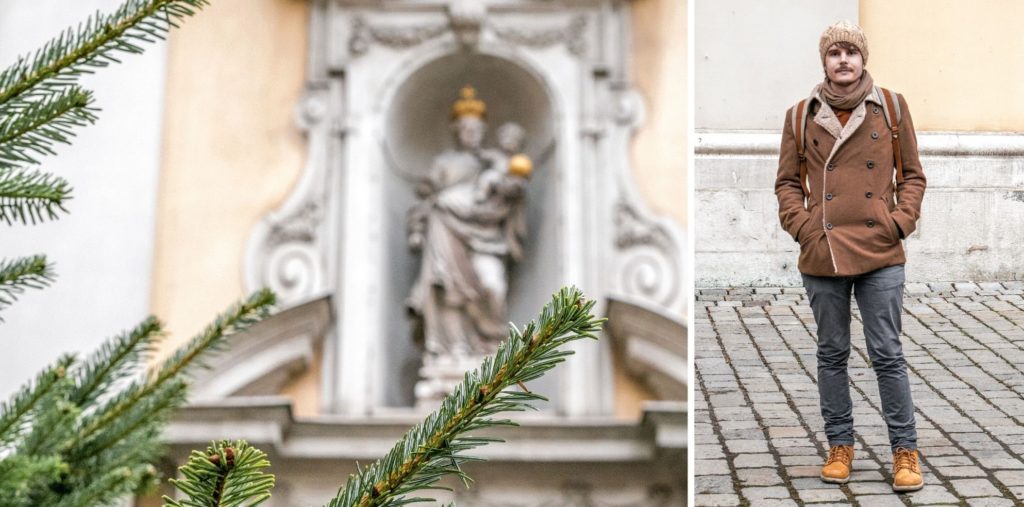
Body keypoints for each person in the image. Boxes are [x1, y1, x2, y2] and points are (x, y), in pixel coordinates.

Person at [774, 21, 927, 492]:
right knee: (832, 353)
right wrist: (804, 229)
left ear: (863, 59)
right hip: (824, 254)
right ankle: (840, 445)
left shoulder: (892, 108)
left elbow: (914, 177)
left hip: (881, 251)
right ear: (824, 61)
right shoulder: (801, 115)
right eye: (834, 53)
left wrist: (898, 222)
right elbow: (785, 184)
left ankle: (905, 451)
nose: (843, 60)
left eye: (850, 52)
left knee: (887, 353)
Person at [407, 87, 529, 364]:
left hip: (486, 233)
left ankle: (490, 346)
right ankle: (454, 349)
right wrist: (416, 228)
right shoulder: (444, 163)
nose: (471, 134)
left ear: (483, 130)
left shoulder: (495, 162)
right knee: (448, 290)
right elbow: (426, 200)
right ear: (456, 130)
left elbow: (512, 193)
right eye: (466, 129)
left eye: (476, 129)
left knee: (492, 286)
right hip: (445, 227)